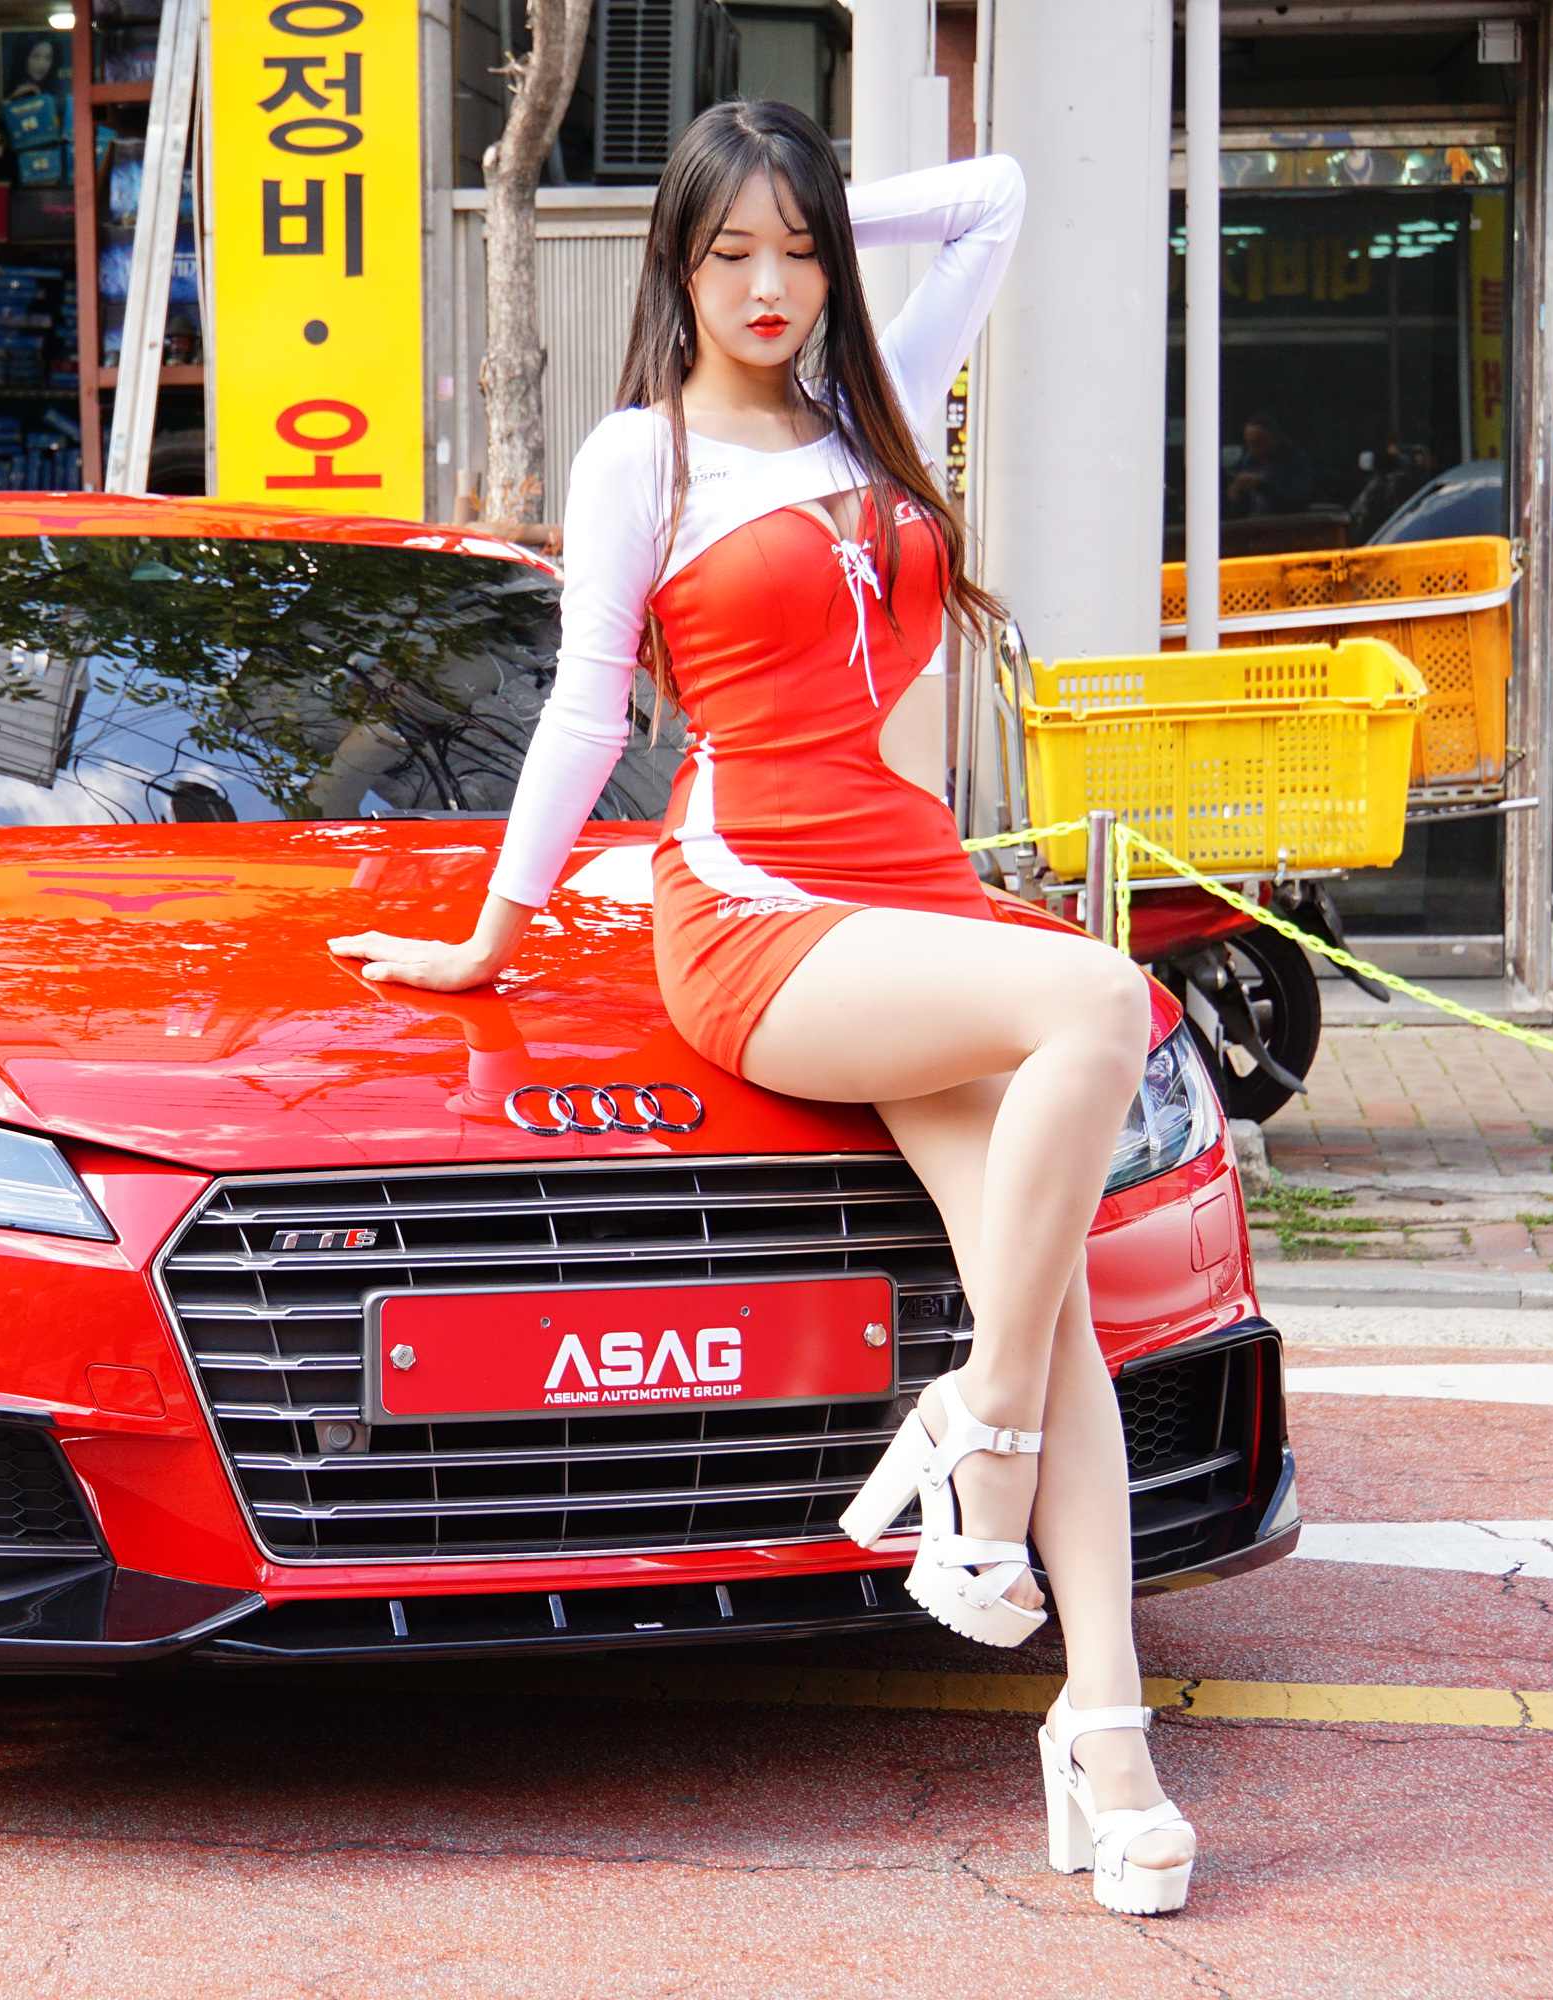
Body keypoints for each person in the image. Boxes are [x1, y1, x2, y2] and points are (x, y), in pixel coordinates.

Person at [327, 101, 1199, 1916]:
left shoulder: (872, 413)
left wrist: (804, 196)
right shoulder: (637, 455)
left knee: (1044, 1296)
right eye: (729, 252)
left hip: (913, 886)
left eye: (798, 252)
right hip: (757, 910)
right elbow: (588, 712)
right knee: (1100, 1000)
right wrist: (488, 938)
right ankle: (979, 1435)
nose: (771, 285)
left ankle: (1103, 1729)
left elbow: (998, 197)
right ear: (677, 263)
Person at [1226, 410, 1315, 516]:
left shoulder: (1295, 460)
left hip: (1284, 522)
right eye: (1249, 444)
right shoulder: (1247, 462)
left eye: (1258, 443)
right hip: (1253, 521)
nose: (1252, 450)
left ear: (1273, 438)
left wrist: (1262, 486)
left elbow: (1299, 500)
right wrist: (1236, 496)